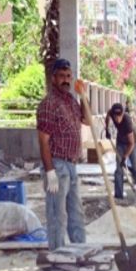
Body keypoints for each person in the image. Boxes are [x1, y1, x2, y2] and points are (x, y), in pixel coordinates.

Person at [36, 58, 88, 250]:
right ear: (53, 78)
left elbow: (88, 121)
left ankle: (80, 253)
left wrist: (83, 96)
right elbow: (43, 140)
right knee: (57, 215)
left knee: (76, 213)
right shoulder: (49, 104)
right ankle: (57, 254)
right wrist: (50, 172)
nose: (66, 80)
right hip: (57, 166)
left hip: (72, 165)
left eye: (68, 76)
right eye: (62, 76)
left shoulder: (72, 102)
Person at [105, 102, 136, 201]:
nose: (117, 119)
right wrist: (106, 129)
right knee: (119, 170)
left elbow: (131, 143)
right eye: (115, 116)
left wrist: (125, 157)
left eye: (119, 116)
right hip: (120, 142)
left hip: (131, 144)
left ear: (123, 113)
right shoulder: (111, 113)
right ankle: (118, 195)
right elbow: (107, 115)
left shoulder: (127, 121)